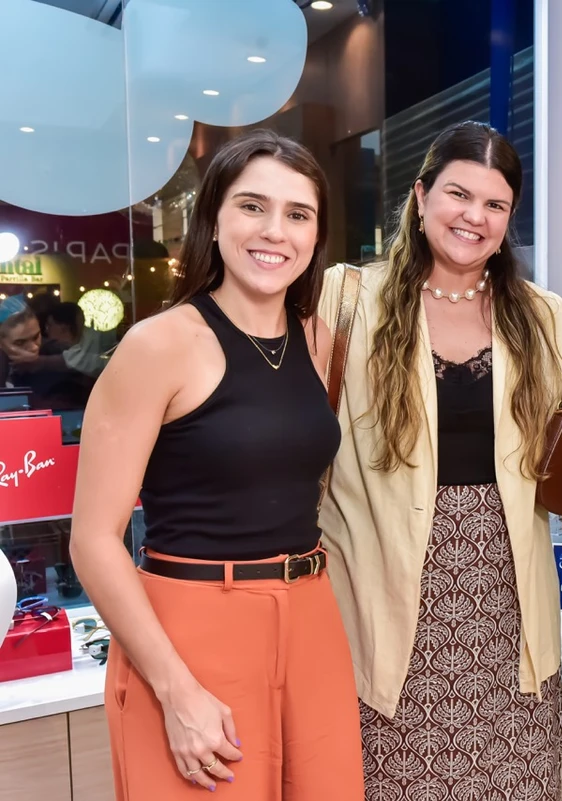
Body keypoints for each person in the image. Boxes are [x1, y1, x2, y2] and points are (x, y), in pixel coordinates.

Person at [70, 130, 364, 800]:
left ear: (317, 235)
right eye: (251, 206)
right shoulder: (159, 344)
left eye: (298, 213)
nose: (274, 231)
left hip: (312, 615)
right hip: (193, 625)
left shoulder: (317, 338)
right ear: (213, 218)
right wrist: (174, 687)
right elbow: (92, 539)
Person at [316, 120, 562, 801]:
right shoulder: (346, 299)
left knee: (518, 781)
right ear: (420, 194)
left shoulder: (547, 319)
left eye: (495, 204)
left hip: (508, 608)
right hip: (386, 605)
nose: (474, 216)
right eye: (458, 195)